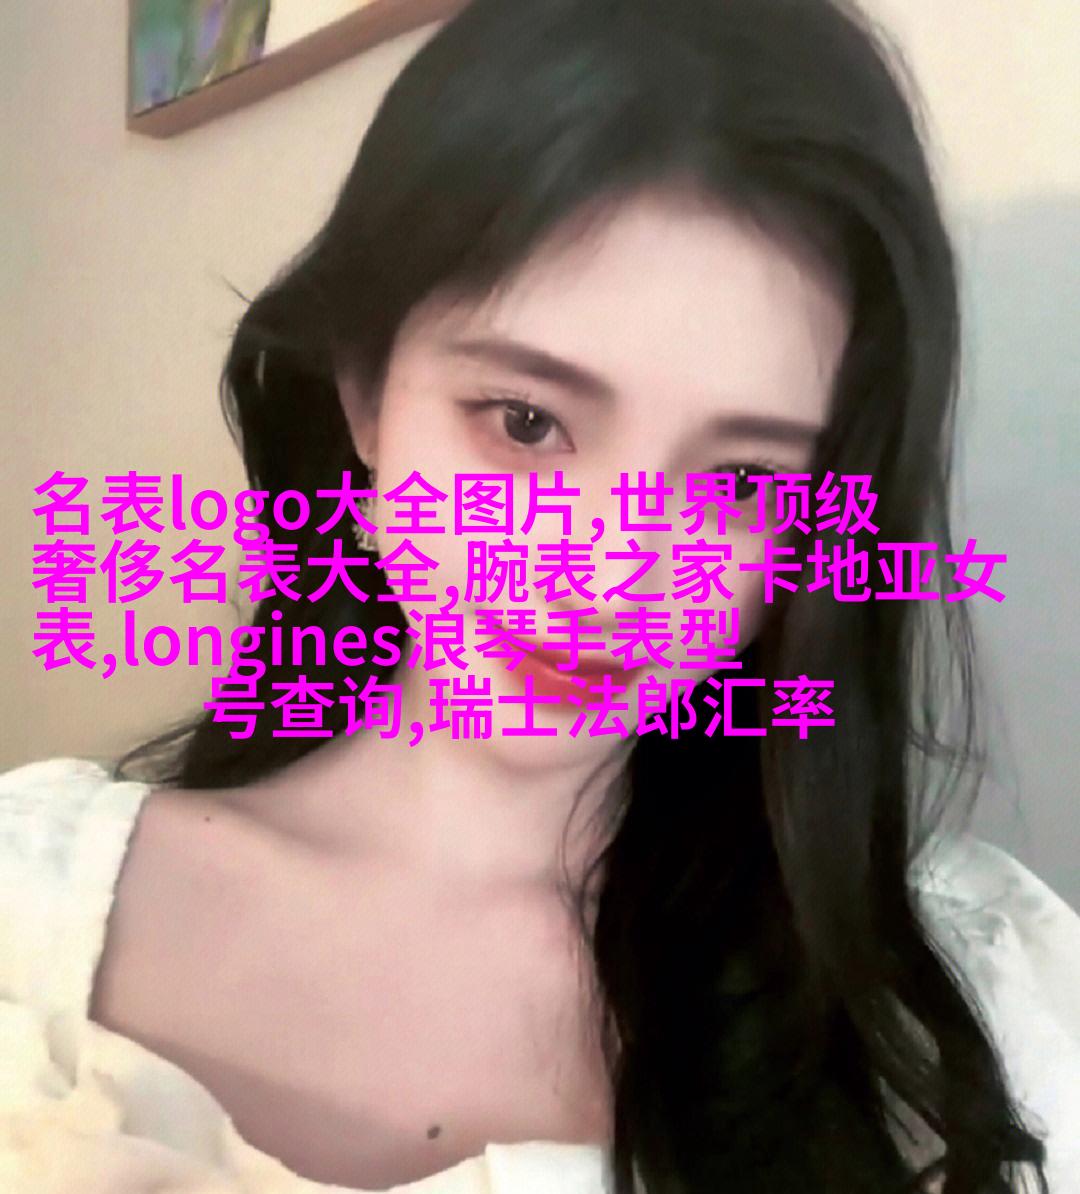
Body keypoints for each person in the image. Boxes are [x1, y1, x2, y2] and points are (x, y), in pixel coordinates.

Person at [2, 1, 1078, 1191]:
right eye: (526, 423)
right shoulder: (27, 903)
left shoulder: (973, 999)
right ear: (364, 397)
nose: (611, 577)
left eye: (740, 482)